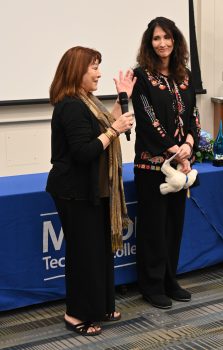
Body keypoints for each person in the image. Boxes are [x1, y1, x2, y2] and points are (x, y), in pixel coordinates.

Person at [46, 46, 136, 336]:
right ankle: (76, 314)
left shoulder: (86, 100)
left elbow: (104, 124)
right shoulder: (70, 105)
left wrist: (124, 100)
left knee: (98, 252)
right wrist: (115, 131)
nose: (99, 73)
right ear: (77, 71)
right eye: (93, 67)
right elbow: (84, 152)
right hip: (74, 191)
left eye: (99, 66)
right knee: (84, 254)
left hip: (92, 189)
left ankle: (101, 305)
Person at [132, 17, 201, 309]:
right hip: (152, 167)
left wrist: (188, 144)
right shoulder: (141, 76)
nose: (162, 43)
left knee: (175, 225)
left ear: (175, 41)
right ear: (150, 43)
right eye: (157, 38)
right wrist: (174, 148)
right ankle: (151, 284)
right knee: (154, 228)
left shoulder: (184, 74)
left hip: (181, 166)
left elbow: (193, 115)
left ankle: (170, 279)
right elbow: (147, 119)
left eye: (167, 37)